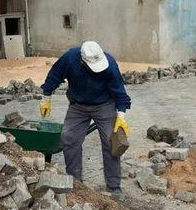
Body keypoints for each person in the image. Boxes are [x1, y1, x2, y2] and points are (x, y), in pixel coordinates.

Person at [39, 41, 131, 201]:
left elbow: (120, 91)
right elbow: (55, 74)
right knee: (69, 138)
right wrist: (46, 97)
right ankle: (75, 182)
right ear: (83, 61)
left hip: (104, 105)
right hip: (78, 106)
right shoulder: (70, 58)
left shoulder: (109, 63)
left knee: (111, 142)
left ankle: (114, 187)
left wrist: (121, 115)